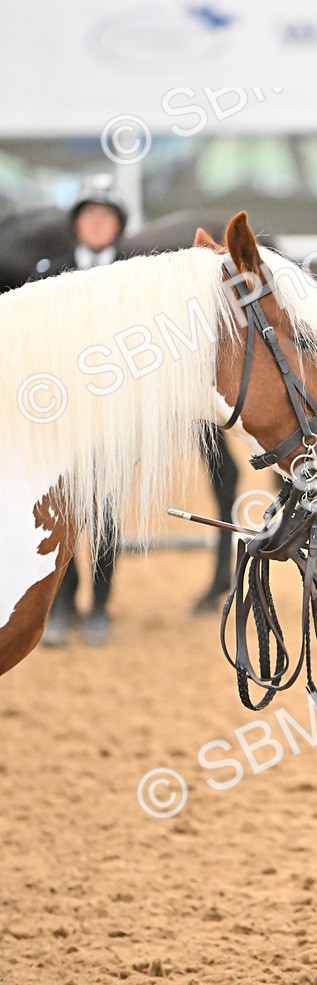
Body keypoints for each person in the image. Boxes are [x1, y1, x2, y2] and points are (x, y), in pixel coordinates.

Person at [42, 176, 128, 648]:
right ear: (77, 223)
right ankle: (63, 602)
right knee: (62, 511)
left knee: (107, 514)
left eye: (106, 215)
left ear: (117, 225)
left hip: (112, 416)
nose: (97, 223)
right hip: (61, 412)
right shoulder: (49, 273)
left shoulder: (135, 277)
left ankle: (100, 606)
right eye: (89, 214)